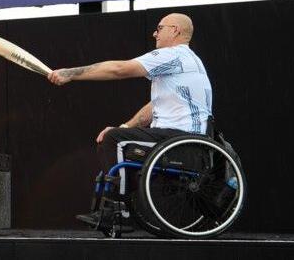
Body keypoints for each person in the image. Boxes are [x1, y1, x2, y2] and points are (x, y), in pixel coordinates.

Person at [48, 13, 212, 223]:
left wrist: (71, 73)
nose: (155, 33)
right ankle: (122, 203)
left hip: (180, 141)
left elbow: (119, 69)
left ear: (175, 30)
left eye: (160, 28)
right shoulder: (191, 62)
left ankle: (119, 209)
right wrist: (124, 126)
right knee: (117, 135)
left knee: (113, 140)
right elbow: (154, 107)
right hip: (186, 141)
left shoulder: (174, 55)